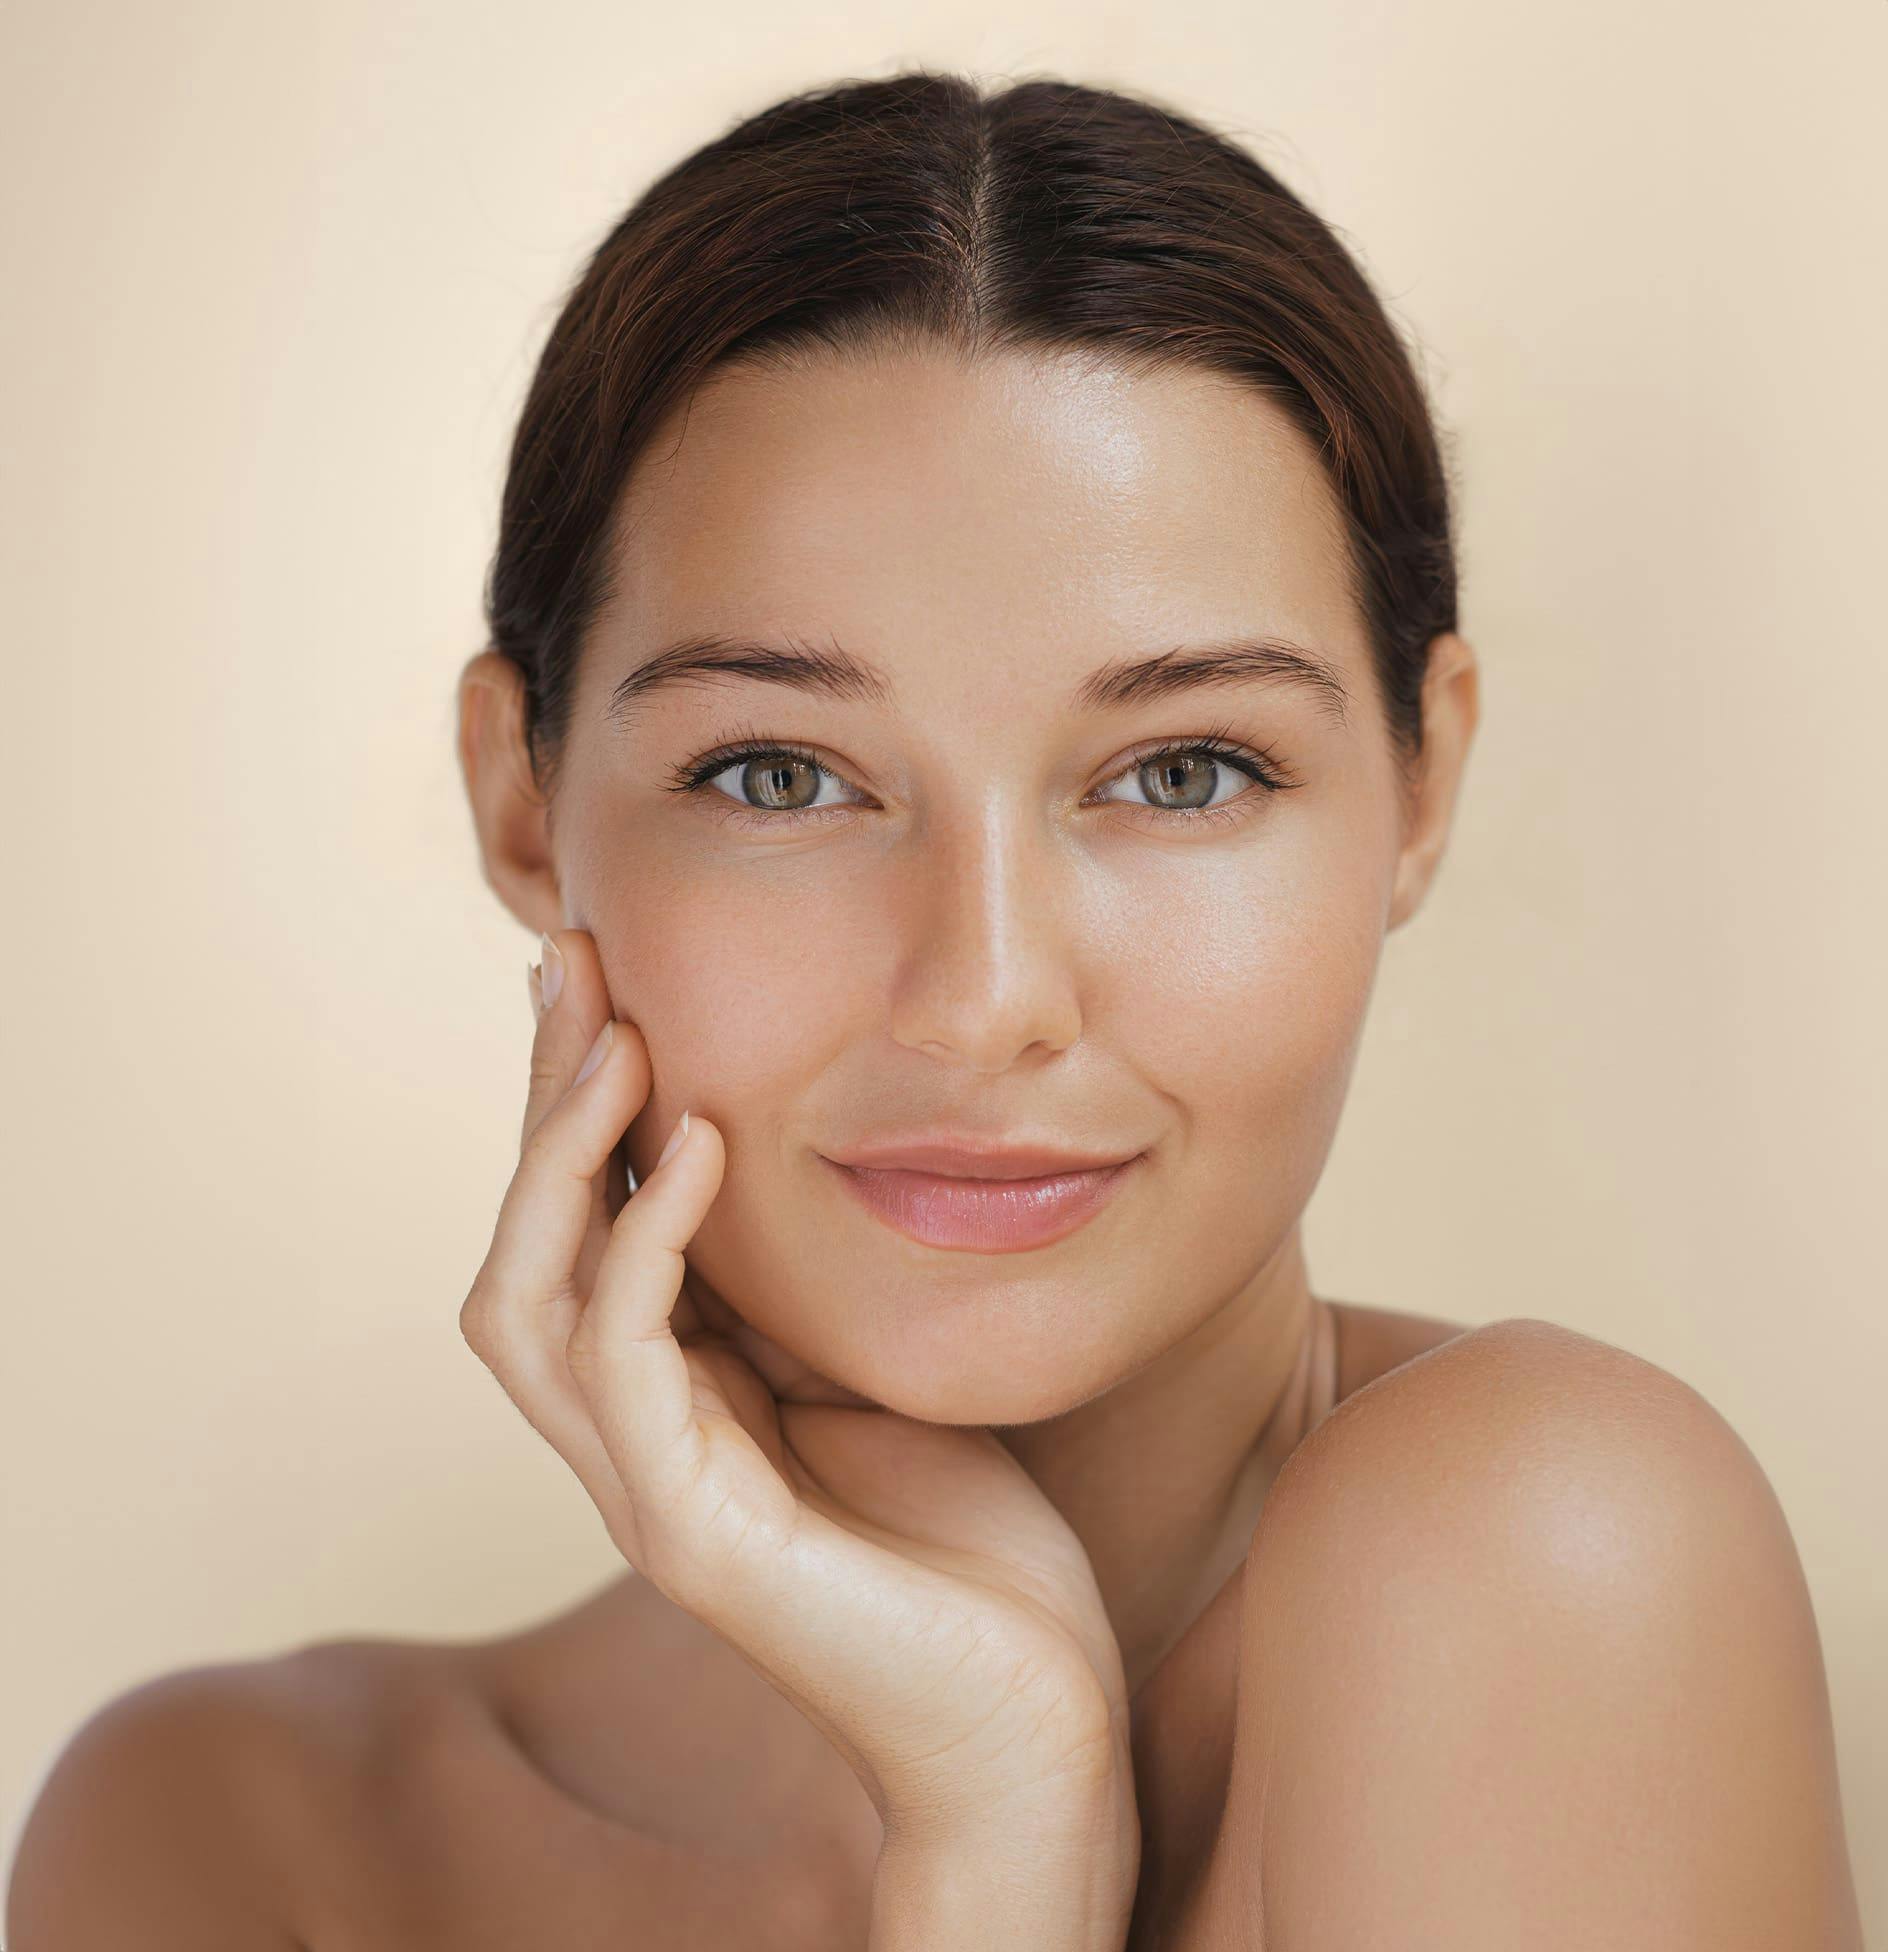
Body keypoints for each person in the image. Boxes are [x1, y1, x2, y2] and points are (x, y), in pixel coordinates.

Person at [6, 68, 1862, 1952]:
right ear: (519, 797)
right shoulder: (244, 1845)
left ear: (1423, 783)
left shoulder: (1549, 1555)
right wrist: (997, 1826)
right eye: (782, 779)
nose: (983, 999)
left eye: (1187, 771)